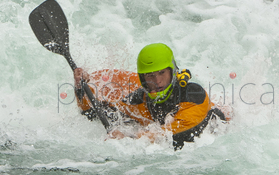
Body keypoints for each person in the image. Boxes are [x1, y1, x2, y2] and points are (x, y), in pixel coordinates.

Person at [73, 43, 230, 149]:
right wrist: (81, 88)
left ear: (172, 71)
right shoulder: (139, 100)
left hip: (216, 133)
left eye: (162, 73)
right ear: (142, 78)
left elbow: (173, 134)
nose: (157, 81)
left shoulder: (193, 95)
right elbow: (92, 112)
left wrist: (129, 136)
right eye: (150, 76)